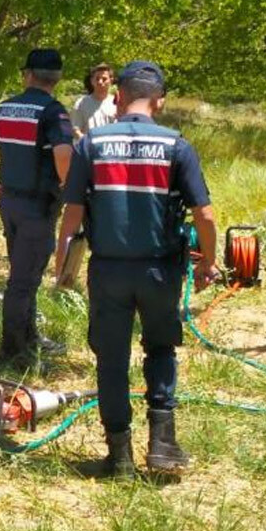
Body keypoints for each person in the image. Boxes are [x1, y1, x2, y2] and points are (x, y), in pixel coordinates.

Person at [53, 60, 218, 477]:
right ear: (159, 102)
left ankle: (120, 457)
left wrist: (63, 265)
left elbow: (72, 211)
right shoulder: (177, 146)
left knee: (111, 359)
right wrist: (209, 264)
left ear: (119, 97)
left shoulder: (91, 145)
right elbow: (206, 215)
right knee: (160, 349)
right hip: (161, 273)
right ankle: (162, 446)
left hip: (108, 271)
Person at [0, 48, 74, 365]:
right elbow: (65, 155)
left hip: (9, 202)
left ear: (27, 75)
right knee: (22, 282)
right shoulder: (54, 113)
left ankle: (30, 338)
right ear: (58, 78)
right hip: (38, 208)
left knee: (25, 275)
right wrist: (70, 192)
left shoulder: (4, 109)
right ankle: (14, 352)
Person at [70, 63, 117, 135]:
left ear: (111, 80)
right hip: (88, 145)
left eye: (104, 79)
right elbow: (75, 129)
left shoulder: (117, 103)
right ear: (92, 81)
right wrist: (86, 143)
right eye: (97, 79)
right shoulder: (81, 103)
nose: (100, 82)